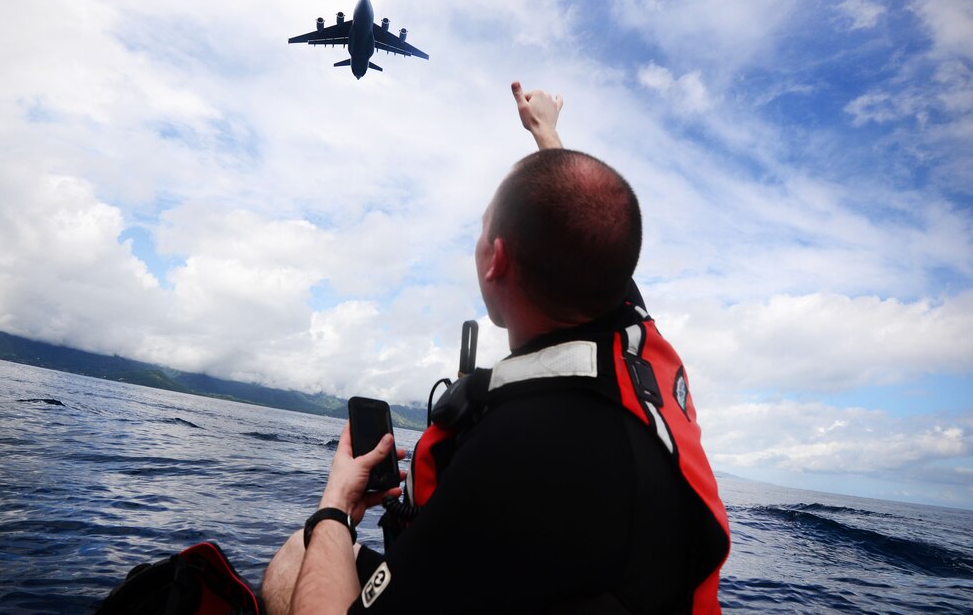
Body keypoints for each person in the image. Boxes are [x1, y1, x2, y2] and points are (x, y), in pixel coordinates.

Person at [261, 82, 731, 615]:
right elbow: (584, 225)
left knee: (302, 553)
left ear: (496, 260)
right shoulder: (645, 355)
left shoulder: (513, 456)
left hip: (506, 551)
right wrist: (545, 131)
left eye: (483, 229)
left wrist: (337, 506)